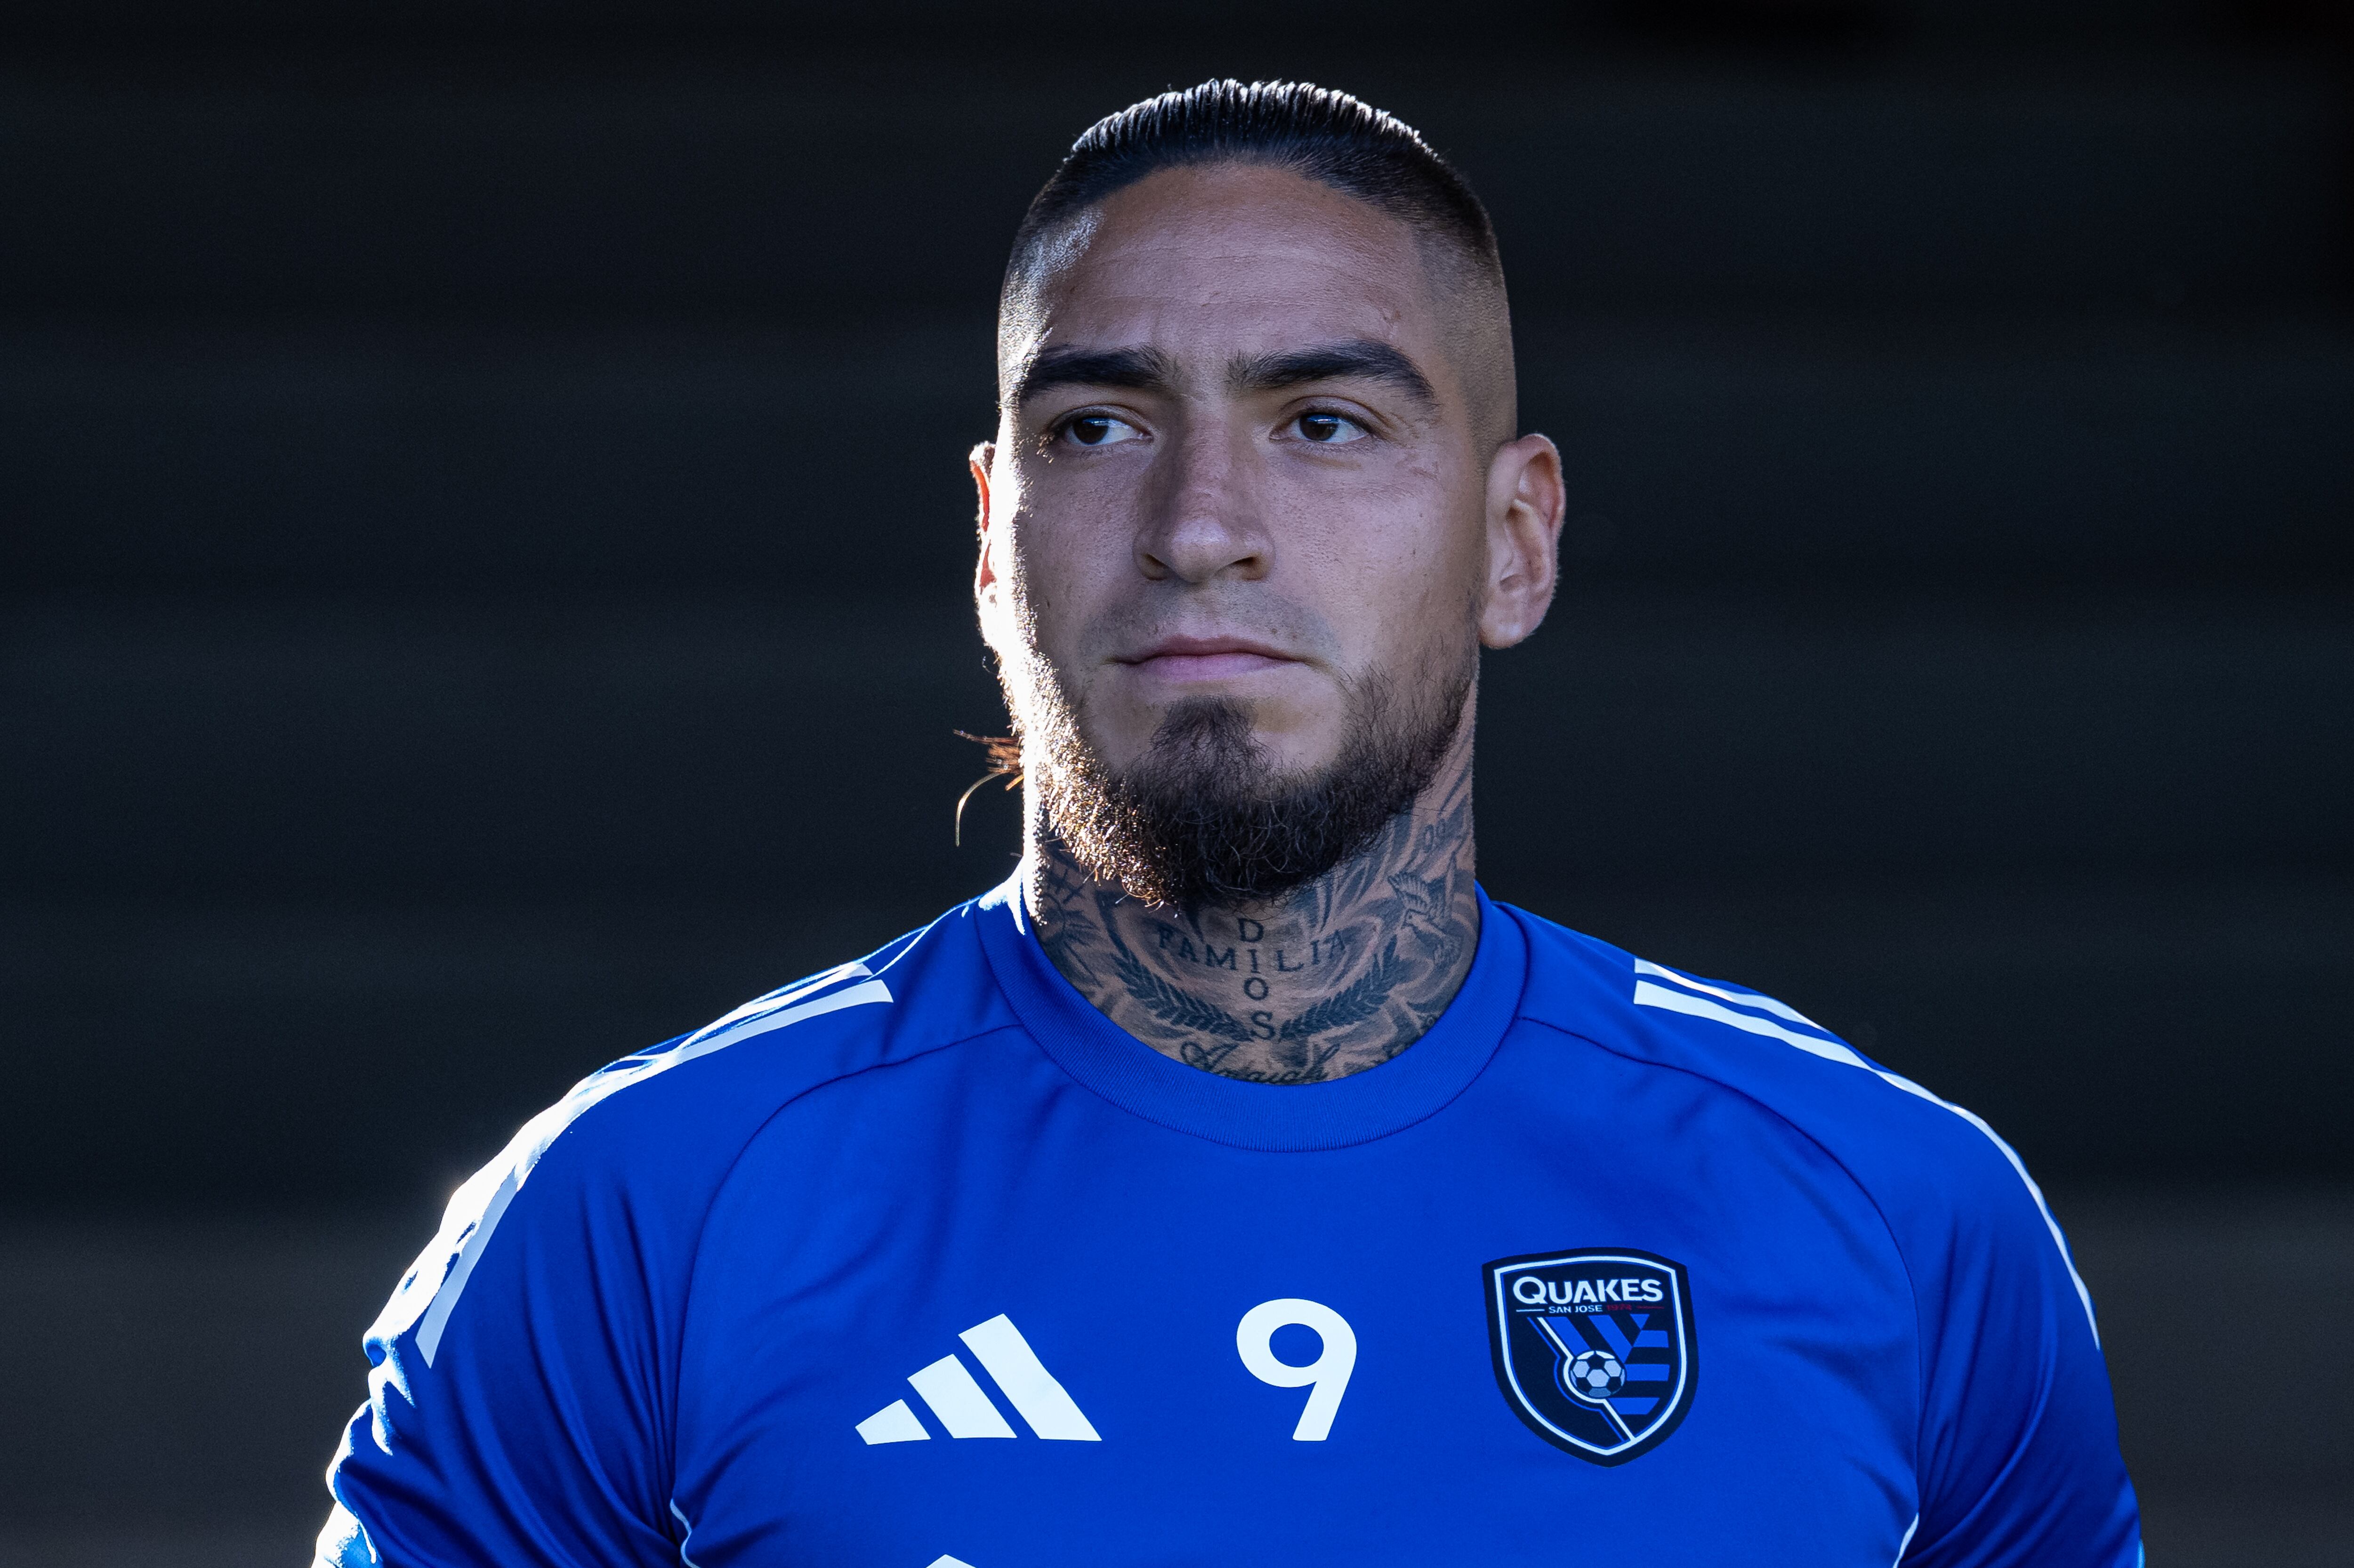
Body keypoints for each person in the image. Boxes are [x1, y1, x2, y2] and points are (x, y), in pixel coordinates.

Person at [316, 80, 2141, 1567]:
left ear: (1514, 537)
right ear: (987, 533)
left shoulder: (1891, 1209)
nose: (1202, 522)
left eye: (1324, 421)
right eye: (1099, 426)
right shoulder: (646, 1205)